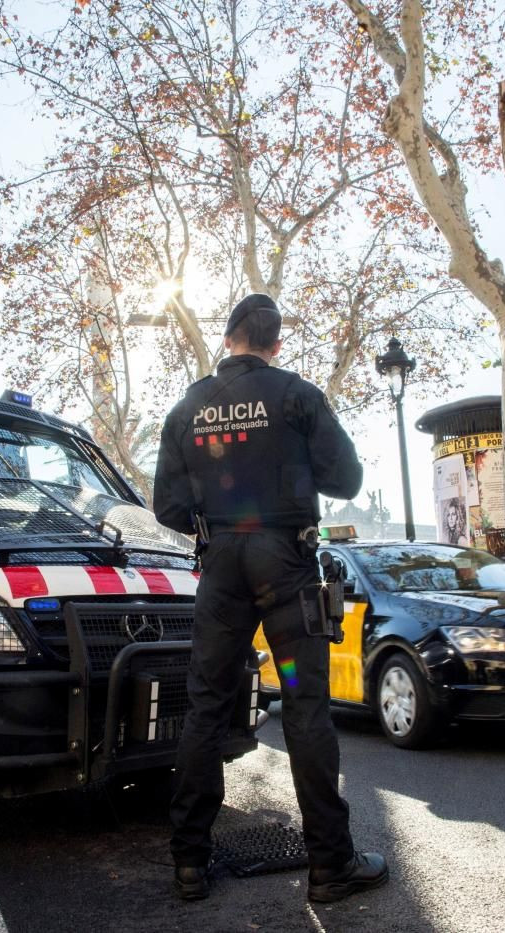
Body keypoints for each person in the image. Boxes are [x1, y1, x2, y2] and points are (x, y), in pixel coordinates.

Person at [153, 293, 388, 903]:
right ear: (276, 344)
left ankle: (188, 862)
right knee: (307, 709)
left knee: (206, 705)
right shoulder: (297, 395)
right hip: (285, 561)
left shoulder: (187, 407)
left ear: (228, 338)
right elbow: (347, 479)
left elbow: (168, 507)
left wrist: (216, 516)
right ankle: (330, 866)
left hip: (222, 562)